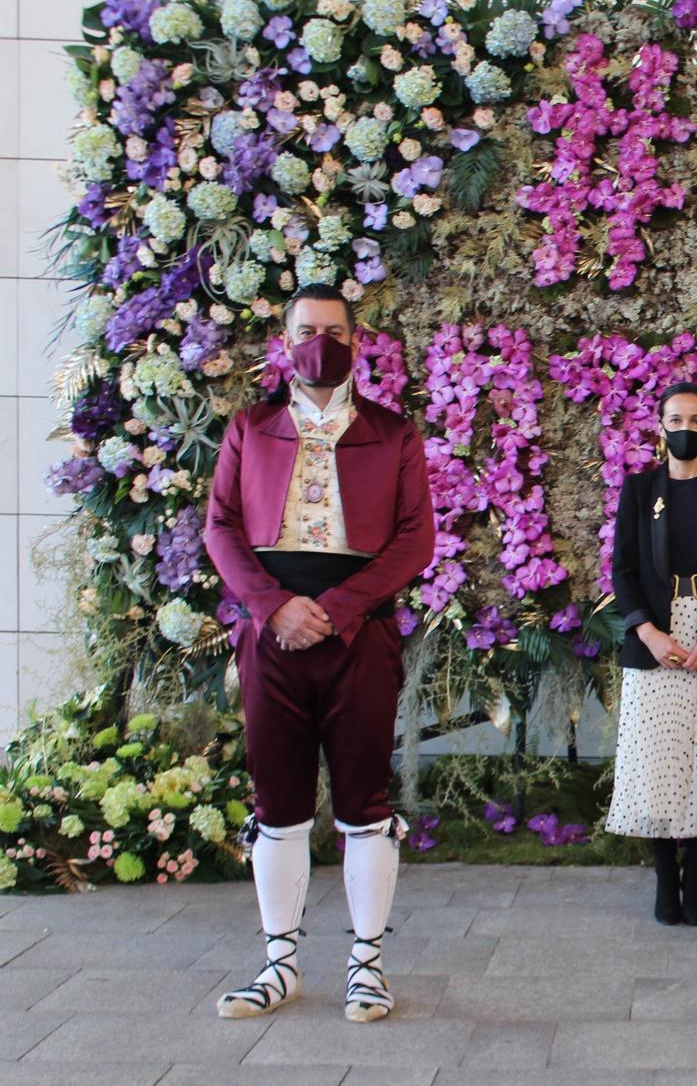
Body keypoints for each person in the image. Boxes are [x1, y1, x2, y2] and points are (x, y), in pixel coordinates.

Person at [204, 286, 436, 1023]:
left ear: (356, 340)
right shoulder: (251, 427)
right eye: (307, 330)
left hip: (358, 631)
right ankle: (280, 965)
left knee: (365, 805)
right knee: (278, 806)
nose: (320, 342)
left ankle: (367, 967)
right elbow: (221, 528)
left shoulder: (394, 434)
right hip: (271, 631)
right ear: (284, 339)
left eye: (333, 331)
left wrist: (335, 609)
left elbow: (415, 539)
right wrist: (274, 605)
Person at [606, 383, 697, 927]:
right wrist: (647, 632)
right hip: (656, 638)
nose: (685, 428)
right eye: (676, 418)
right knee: (659, 761)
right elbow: (621, 570)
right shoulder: (640, 490)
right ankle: (666, 877)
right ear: (659, 425)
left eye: (696, 420)